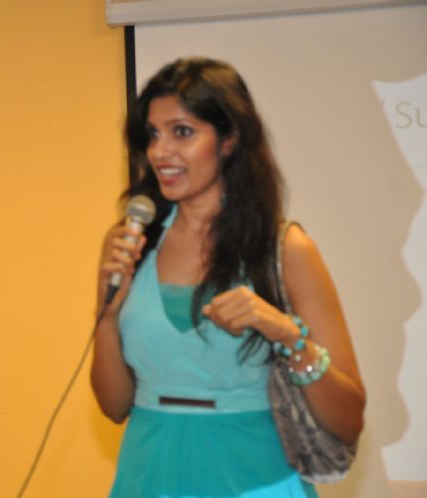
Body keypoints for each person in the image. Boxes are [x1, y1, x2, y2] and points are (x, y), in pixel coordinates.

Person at [91, 57, 365, 497]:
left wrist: (286, 333)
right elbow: (113, 405)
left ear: (230, 140)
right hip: (148, 475)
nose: (160, 152)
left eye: (182, 132)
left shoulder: (284, 248)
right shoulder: (133, 242)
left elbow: (348, 419)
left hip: (255, 477)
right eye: (152, 135)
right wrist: (105, 315)